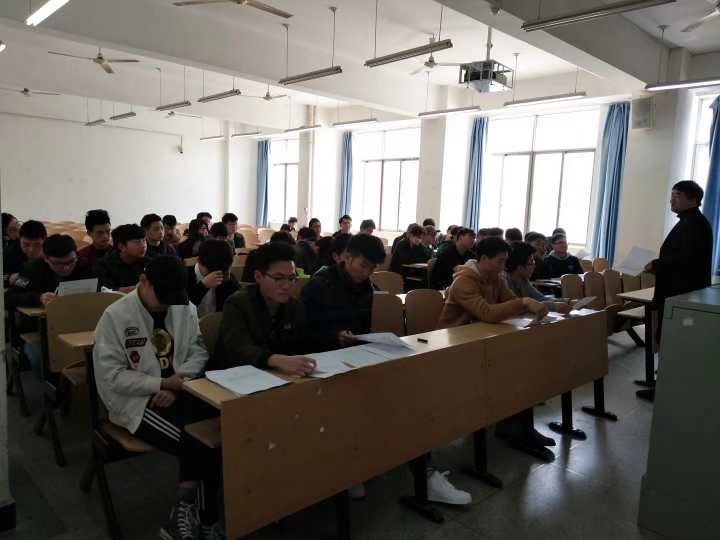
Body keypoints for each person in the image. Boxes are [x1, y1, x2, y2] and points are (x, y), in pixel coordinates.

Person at [93, 255, 222, 539]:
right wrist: (160, 383)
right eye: (162, 297)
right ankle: (203, 516)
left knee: (213, 434)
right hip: (138, 401)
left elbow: (198, 351)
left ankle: (191, 514)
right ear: (143, 282)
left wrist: (177, 383)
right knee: (199, 443)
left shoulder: (184, 307)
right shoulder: (116, 316)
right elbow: (111, 376)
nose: (167, 304)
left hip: (181, 390)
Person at [437, 238, 553, 460]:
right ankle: (512, 430)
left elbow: (513, 304)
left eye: (505, 262)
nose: (503, 267)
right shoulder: (463, 282)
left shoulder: (496, 279)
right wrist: (523, 303)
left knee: (526, 366)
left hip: (480, 341)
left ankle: (524, 429)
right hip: (453, 347)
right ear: (483, 259)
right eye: (500, 261)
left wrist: (527, 306)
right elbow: (488, 313)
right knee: (513, 371)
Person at [638, 180, 713, 402]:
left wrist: (657, 264)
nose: (671, 200)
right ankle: (662, 382)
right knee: (669, 339)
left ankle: (665, 388)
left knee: (674, 341)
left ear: (693, 199)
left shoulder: (694, 224)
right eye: (672, 195)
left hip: (681, 294)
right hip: (678, 292)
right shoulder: (691, 221)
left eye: (677, 195)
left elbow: (688, 259)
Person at [211, 242, 314, 376]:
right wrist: (275, 360)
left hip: (277, 375)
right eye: (279, 278)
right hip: (234, 376)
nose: (287, 286)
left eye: (292, 278)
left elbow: (302, 345)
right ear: (258, 276)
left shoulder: (294, 306)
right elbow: (238, 349)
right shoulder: (237, 304)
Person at [7, 234, 94, 373]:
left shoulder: (86, 265)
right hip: (41, 329)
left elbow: (103, 288)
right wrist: (38, 298)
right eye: (58, 263)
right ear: (46, 259)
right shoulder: (31, 269)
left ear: (76, 255)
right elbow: (9, 297)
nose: (66, 267)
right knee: (40, 359)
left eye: (70, 261)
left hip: (81, 325)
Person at [301, 234, 385, 351]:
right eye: (363, 265)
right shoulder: (320, 285)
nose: (366, 273)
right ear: (348, 257)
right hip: (325, 353)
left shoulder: (370, 289)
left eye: (372, 268)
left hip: (360, 353)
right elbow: (304, 328)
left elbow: (368, 327)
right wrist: (334, 336)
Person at [505, 243, 571, 315]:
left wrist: (568, 301)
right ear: (520, 267)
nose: (534, 266)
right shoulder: (505, 282)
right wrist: (554, 306)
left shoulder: (523, 280)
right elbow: (520, 307)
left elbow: (541, 298)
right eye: (531, 262)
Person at [187, 239, 239, 318]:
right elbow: (182, 311)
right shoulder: (185, 276)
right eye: (211, 271)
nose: (214, 276)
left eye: (220, 272)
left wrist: (227, 281)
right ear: (199, 261)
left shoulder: (226, 276)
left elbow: (234, 307)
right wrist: (203, 286)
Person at [95, 224, 147, 292]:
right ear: (121, 246)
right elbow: (105, 291)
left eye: (144, 240)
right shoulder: (104, 265)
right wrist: (135, 290)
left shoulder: (148, 262)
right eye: (137, 242)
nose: (143, 245)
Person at [4, 220, 47, 286]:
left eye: (37, 244)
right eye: (26, 244)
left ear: (45, 240)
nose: (31, 249)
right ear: (19, 239)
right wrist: (8, 278)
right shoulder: (7, 254)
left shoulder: (51, 251)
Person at [390, 223, 431, 289]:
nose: (420, 240)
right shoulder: (402, 244)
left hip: (410, 272)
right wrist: (417, 258)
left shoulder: (418, 245)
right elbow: (406, 260)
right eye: (418, 237)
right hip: (399, 272)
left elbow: (427, 257)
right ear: (411, 235)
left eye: (421, 238)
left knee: (425, 278)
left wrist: (421, 250)